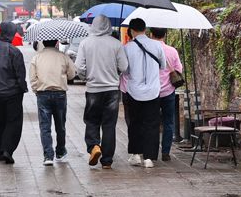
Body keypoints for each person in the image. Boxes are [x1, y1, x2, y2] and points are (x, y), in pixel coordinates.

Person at [76, 15, 128, 168]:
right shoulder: (116, 44)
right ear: (108, 26)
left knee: (92, 120)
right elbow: (124, 67)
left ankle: (94, 146)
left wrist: (86, 77)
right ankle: (107, 160)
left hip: (93, 89)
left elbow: (79, 67)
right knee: (109, 124)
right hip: (112, 90)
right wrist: (115, 73)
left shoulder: (85, 43)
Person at [0, 21, 27, 165]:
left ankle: (0, 151)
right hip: (13, 92)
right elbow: (20, 74)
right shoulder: (14, 51)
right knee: (13, 122)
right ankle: (7, 149)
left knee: (0, 121)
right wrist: (23, 87)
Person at [123, 17, 164, 167]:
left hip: (134, 91)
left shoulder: (127, 47)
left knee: (135, 122)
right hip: (153, 90)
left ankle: (136, 155)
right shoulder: (157, 45)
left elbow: (125, 70)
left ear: (132, 31)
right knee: (152, 123)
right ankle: (149, 158)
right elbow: (163, 66)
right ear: (145, 29)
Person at [31, 39, 77, 165]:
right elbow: (72, 74)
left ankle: (48, 156)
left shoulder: (37, 58)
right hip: (60, 94)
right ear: (56, 42)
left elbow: (32, 78)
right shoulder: (63, 56)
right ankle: (60, 151)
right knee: (60, 125)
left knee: (45, 127)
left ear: (44, 43)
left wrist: (37, 90)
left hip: (43, 94)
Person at [151, 27, 185, 161]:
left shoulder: (149, 50)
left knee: (151, 122)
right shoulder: (172, 51)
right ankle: (165, 152)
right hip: (168, 91)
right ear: (165, 34)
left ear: (151, 34)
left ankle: (151, 152)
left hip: (152, 92)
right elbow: (179, 69)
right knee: (168, 122)